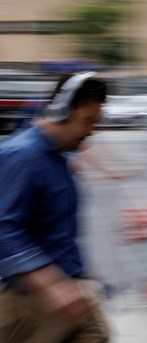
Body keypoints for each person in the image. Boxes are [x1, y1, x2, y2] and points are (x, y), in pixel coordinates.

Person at [0, 71, 111, 342]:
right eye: (87, 121)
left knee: (97, 335)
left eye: (96, 122)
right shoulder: (23, 155)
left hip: (69, 293)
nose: (90, 131)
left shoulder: (55, 156)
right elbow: (4, 229)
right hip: (28, 301)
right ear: (62, 112)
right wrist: (51, 285)